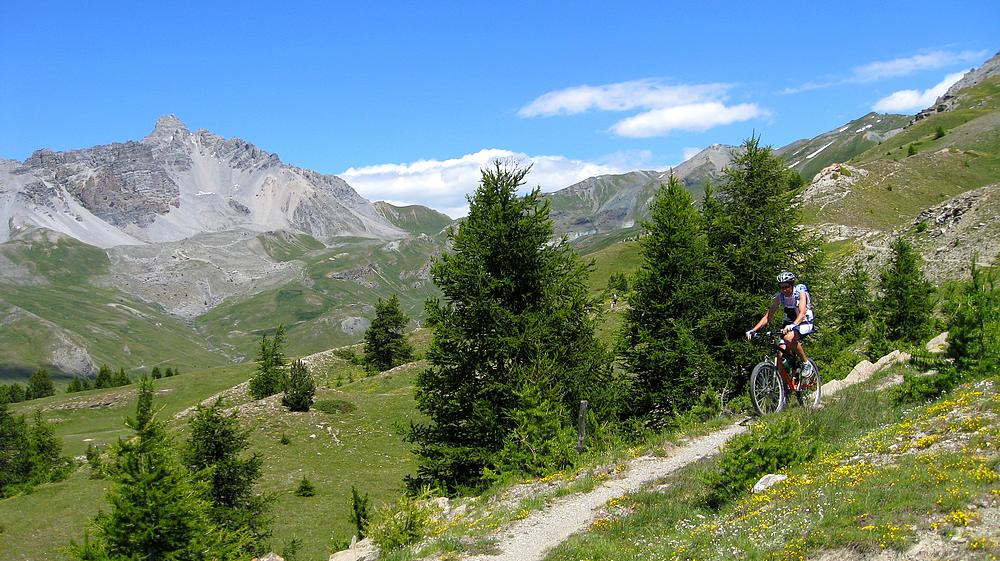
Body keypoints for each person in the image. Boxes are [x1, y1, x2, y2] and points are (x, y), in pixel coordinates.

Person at [746, 271, 815, 382]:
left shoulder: (800, 293)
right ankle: (788, 386)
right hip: (790, 323)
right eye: (781, 287)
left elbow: (802, 313)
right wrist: (753, 330)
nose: (784, 290)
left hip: (805, 321)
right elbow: (768, 316)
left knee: (789, 338)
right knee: (780, 356)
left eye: (787, 287)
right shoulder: (780, 297)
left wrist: (793, 325)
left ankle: (806, 363)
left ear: (792, 285)